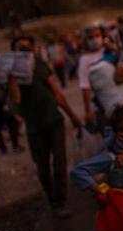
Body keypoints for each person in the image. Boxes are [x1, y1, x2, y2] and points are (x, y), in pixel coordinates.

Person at [8, 35, 82, 218]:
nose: (24, 51)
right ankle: (51, 198)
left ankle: (60, 202)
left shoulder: (41, 67)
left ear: (33, 49)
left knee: (59, 162)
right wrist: (12, 79)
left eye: (27, 47)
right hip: (34, 126)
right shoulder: (11, 75)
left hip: (54, 120)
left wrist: (72, 115)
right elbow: (16, 99)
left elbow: (56, 93)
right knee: (42, 166)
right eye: (20, 48)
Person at [77, 26, 107, 131]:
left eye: (97, 36)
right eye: (91, 37)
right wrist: (88, 111)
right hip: (100, 106)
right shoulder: (84, 60)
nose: (95, 40)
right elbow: (85, 87)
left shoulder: (109, 52)